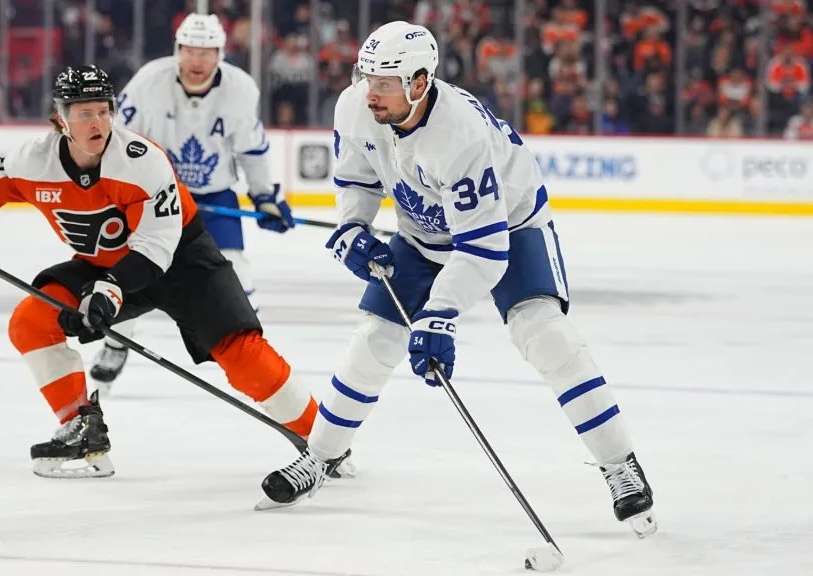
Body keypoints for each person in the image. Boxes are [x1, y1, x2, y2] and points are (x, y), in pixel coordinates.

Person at [256, 22, 656, 538]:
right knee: (375, 339)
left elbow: (484, 252)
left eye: (384, 81)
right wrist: (353, 226)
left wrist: (439, 314)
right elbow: (357, 178)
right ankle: (320, 458)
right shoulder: (355, 106)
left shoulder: (458, 132)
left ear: (419, 83)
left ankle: (619, 463)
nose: (368, 90)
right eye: (366, 76)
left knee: (545, 335)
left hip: (509, 228)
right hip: (421, 231)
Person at [0, 65, 337, 479]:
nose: (98, 123)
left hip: (184, 264)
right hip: (104, 267)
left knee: (242, 357)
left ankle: (326, 442)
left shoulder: (143, 161)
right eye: (85, 113)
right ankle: (80, 429)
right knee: (31, 322)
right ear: (60, 119)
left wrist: (108, 292)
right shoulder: (33, 160)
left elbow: (157, 247)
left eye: (104, 111)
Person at [92, 13, 293, 389]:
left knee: (235, 271)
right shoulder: (150, 81)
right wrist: (117, 192)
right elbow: (117, 143)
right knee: (133, 272)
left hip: (214, 195)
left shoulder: (241, 88)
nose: (197, 61)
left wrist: (265, 195)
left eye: (206, 52)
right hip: (157, 196)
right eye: (189, 51)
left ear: (220, 54)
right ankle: (118, 342)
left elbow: (252, 149)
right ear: (177, 51)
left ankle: (245, 349)